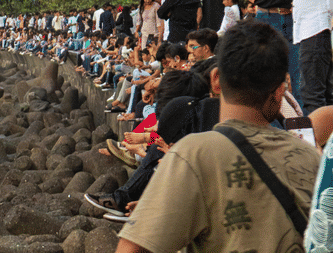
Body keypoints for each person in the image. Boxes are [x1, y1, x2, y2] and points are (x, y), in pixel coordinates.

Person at [115, 21, 320, 253]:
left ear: (215, 79)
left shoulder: (193, 153)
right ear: (281, 87)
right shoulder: (311, 157)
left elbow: (132, 248)